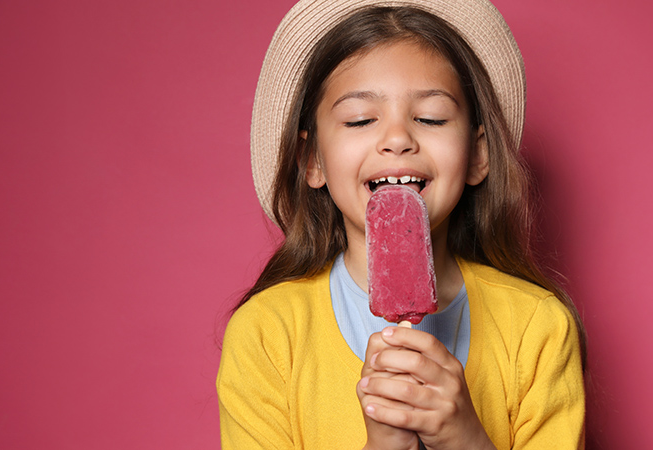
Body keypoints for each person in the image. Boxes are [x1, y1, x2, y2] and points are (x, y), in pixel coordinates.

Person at [217, 1, 586, 449]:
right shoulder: (267, 333)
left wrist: (466, 439)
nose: (397, 139)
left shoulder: (538, 326)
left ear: (478, 154)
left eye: (430, 118)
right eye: (360, 119)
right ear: (311, 160)